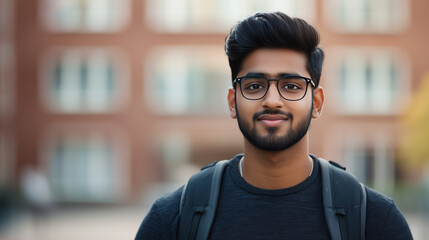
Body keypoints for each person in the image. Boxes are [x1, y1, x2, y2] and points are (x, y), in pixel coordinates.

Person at [135, 12, 413, 239]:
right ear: (232, 102)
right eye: (255, 86)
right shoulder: (172, 220)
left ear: (317, 102)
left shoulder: (375, 222)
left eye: (291, 86)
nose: (272, 100)